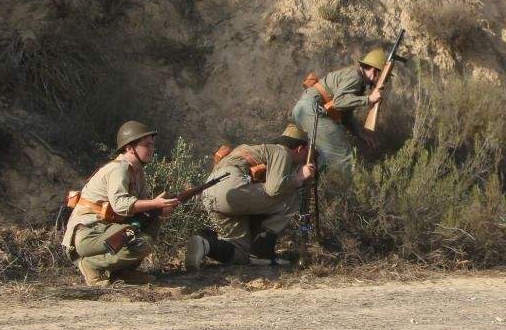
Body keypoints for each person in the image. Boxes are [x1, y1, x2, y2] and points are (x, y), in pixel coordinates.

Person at [62, 122, 182, 287]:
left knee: (152, 222)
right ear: (130, 148)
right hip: (88, 234)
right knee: (141, 242)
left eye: (152, 145)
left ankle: (122, 272)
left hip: (105, 230)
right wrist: (154, 203)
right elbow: (120, 205)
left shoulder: (137, 172)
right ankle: (91, 265)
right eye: (147, 145)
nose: (151, 149)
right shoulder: (119, 170)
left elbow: (140, 210)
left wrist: (159, 209)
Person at [189, 125, 317, 268]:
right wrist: (299, 177)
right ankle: (262, 253)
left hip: (210, 191)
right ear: (300, 149)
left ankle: (205, 243)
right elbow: (275, 189)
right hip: (232, 186)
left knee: (241, 253)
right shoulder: (282, 152)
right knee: (290, 195)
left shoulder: (257, 151)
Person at [291, 49, 389, 174]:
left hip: (305, 111)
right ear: (374, 71)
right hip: (312, 111)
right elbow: (339, 102)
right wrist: (369, 99)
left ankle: (320, 182)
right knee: (345, 157)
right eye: (383, 77)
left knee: (321, 158)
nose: (384, 81)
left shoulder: (356, 79)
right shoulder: (356, 77)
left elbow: (345, 115)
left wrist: (360, 134)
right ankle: (350, 185)